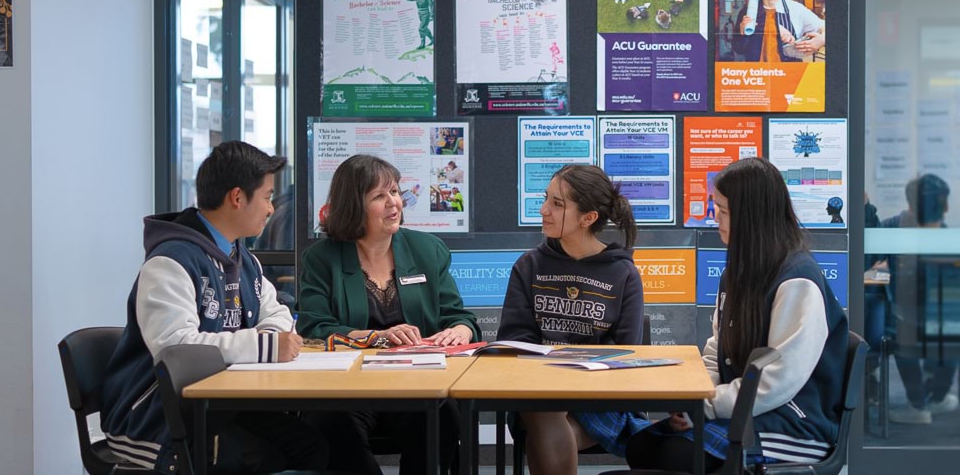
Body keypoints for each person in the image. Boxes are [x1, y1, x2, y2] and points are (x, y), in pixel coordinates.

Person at [100, 142, 327, 474]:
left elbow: (275, 311)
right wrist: (265, 345)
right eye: (266, 197)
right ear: (237, 198)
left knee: (310, 447)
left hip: (222, 404)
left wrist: (274, 338)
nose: (270, 208)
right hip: (157, 418)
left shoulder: (242, 257)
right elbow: (175, 349)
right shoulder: (170, 261)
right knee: (243, 458)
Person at [626, 158, 847, 471]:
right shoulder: (736, 274)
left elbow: (780, 380)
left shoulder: (798, 279)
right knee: (641, 446)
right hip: (745, 412)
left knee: (672, 455)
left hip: (791, 425)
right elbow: (718, 349)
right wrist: (694, 399)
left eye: (724, 210)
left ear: (752, 217)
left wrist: (706, 406)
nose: (715, 218)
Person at [297, 154, 480, 475]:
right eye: (379, 196)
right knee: (329, 423)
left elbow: (459, 316)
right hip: (345, 388)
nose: (394, 203)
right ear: (353, 205)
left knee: (444, 416)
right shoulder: (322, 258)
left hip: (415, 385)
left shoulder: (427, 249)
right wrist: (374, 337)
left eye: (395, 191)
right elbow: (314, 328)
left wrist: (461, 331)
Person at [499, 164, 647, 475]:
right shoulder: (529, 265)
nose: (543, 210)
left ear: (588, 218)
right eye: (546, 199)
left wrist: (573, 375)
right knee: (544, 410)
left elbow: (626, 351)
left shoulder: (623, 274)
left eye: (557, 203)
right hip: (538, 389)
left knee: (543, 428)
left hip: (598, 397)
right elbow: (515, 338)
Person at [875, 175, 960, 425]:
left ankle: (926, 400)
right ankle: (927, 400)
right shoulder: (894, 229)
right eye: (941, 203)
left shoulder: (897, 227)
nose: (946, 209)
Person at [733, 0, 825, 62]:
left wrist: (822, 39)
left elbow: (824, 27)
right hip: (757, 74)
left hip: (790, 74)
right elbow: (738, 49)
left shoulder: (796, 9)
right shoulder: (747, 13)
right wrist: (743, 35)